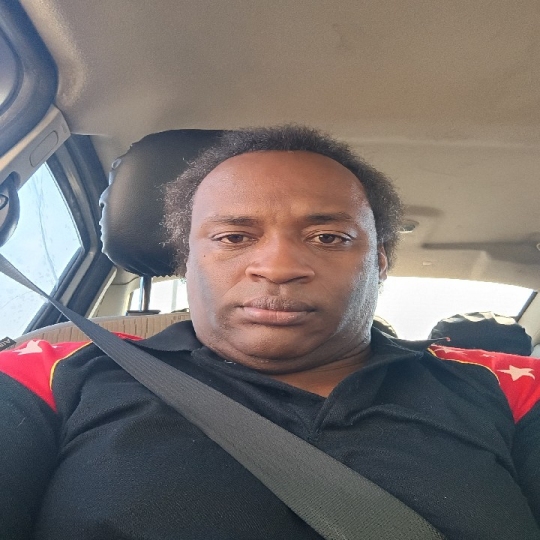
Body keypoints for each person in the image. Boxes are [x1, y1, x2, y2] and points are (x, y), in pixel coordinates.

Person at [1, 126, 539, 539]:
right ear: (187, 261)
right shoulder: (47, 376)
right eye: (233, 237)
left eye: (328, 237)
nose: (278, 267)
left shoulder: (511, 389)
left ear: (378, 262)